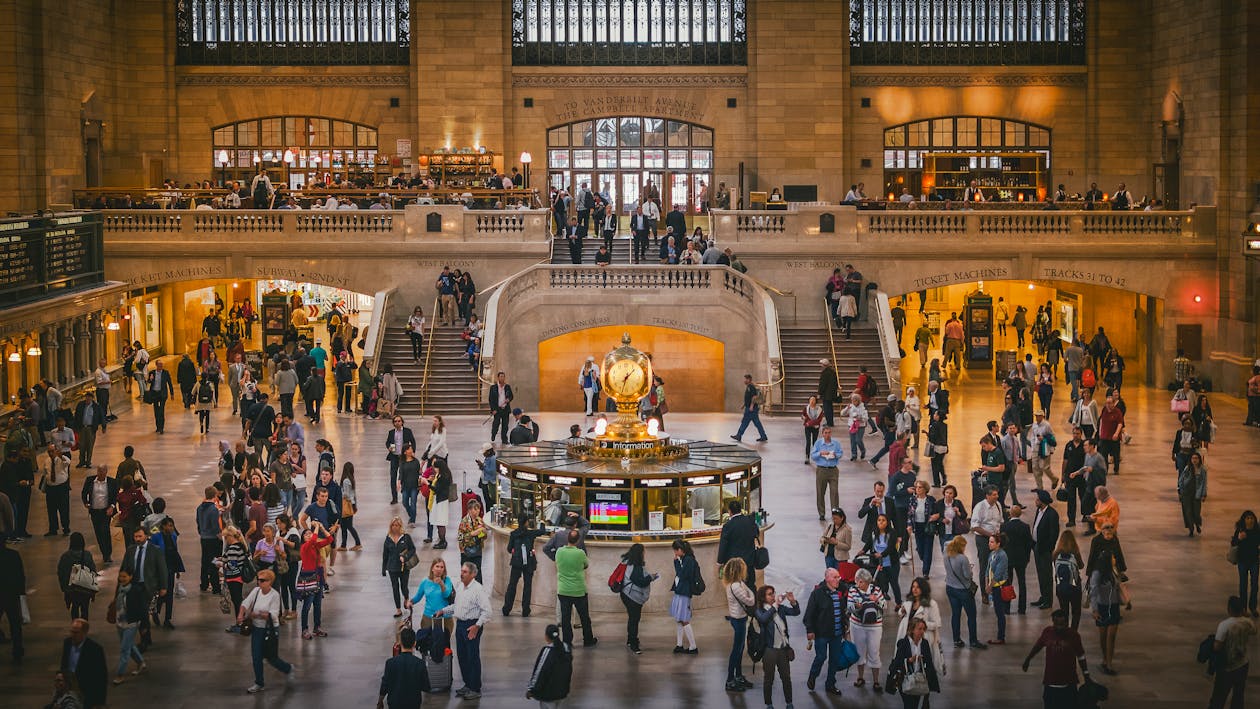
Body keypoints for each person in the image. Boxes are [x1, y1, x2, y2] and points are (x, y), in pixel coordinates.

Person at [439, 561, 492, 701]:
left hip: (471, 626)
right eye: (461, 571)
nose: (461, 574)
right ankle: (468, 684)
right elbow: (457, 606)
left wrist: (477, 626)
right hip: (461, 625)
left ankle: (475, 688)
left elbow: (487, 611)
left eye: (465, 572)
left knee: (472, 657)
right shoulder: (460, 586)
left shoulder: (478, 590)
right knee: (462, 656)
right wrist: (443, 611)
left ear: (473, 574)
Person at [1022, 609, 1091, 709]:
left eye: (1062, 624)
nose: (1059, 627)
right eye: (1057, 624)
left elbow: (1081, 656)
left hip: (1069, 683)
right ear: (1053, 622)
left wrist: (1086, 674)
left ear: (1067, 623)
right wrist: (1028, 659)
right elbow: (1038, 646)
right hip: (1051, 682)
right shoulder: (1047, 632)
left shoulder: (1074, 635)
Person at [238, 568, 292, 693]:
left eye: (262, 580)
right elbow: (245, 603)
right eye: (258, 580)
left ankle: (288, 668)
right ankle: (259, 682)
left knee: (271, 657)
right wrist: (241, 614)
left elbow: (273, 615)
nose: (259, 582)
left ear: (270, 582)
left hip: (270, 629)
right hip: (257, 628)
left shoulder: (274, 595)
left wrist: (257, 614)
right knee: (256, 656)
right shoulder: (256, 591)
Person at [753, 584, 800, 708]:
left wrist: (793, 601)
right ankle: (769, 704)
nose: (773, 596)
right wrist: (775, 606)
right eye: (770, 594)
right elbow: (763, 619)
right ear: (763, 597)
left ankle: (789, 703)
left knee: (786, 678)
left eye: (773, 593)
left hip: (783, 649)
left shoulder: (780, 608)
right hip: (769, 650)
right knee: (769, 679)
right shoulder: (759, 610)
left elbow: (796, 612)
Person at [803, 567, 847, 697]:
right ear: (827, 578)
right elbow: (809, 614)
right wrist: (809, 630)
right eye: (835, 577)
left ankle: (830, 684)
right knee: (821, 656)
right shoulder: (817, 593)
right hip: (822, 633)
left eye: (838, 577)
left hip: (837, 633)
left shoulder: (841, 590)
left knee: (834, 660)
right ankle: (813, 675)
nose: (838, 579)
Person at [1209, 596, 1255, 709]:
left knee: (1219, 697)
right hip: (1243, 663)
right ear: (1242, 609)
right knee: (1238, 696)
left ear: (1229, 609)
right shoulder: (1248, 623)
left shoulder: (1224, 625)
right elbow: (1254, 631)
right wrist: (1247, 616)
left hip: (1227, 666)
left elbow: (1217, 646)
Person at [847, 567, 886, 691]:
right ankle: (860, 677)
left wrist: (877, 601)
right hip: (857, 625)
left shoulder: (877, 590)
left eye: (860, 581)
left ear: (866, 582)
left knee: (874, 653)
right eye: (857, 580)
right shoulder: (852, 590)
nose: (857, 583)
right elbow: (849, 607)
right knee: (859, 652)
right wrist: (856, 606)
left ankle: (876, 681)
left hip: (875, 627)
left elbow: (885, 606)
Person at [720, 558, 755, 692]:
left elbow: (749, 595)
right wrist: (750, 593)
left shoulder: (737, 583)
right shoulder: (735, 586)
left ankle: (738, 676)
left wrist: (748, 591)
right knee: (736, 650)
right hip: (738, 620)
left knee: (740, 650)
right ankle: (730, 680)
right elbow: (751, 600)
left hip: (740, 618)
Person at [890, 617, 941, 708]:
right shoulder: (903, 643)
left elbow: (929, 663)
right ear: (912, 629)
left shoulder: (924, 643)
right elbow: (897, 663)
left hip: (919, 680)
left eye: (923, 629)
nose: (922, 631)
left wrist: (930, 681)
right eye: (919, 629)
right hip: (905, 680)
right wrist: (909, 660)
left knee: (916, 704)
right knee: (910, 705)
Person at [504, 514, 548, 617]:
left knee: (512, 585)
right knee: (527, 586)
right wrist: (542, 522)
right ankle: (525, 610)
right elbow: (542, 531)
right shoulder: (531, 533)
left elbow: (509, 549)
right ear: (526, 523)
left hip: (516, 562)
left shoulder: (513, 534)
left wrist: (515, 549)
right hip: (529, 562)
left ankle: (507, 608)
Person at [1087, 550, 1123, 674]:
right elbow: (1093, 592)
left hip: (1114, 606)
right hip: (1102, 607)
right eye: (1113, 557)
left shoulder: (1114, 571)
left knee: (1111, 636)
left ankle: (1109, 663)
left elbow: (1118, 586)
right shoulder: (1097, 573)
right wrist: (1094, 609)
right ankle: (1104, 658)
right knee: (1103, 636)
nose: (1115, 559)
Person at [109, 568, 147, 685]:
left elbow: (142, 609)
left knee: (124, 649)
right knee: (129, 645)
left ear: (130, 577)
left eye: (124, 576)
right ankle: (141, 662)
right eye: (120, 576)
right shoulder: (120, 588)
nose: (122, 579)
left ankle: (120, 675)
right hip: (120, 623)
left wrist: (144, 625)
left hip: (131, 623)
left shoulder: (135, 590)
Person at [377, 626, 431, 709]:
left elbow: (384, 686)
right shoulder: (420, 664)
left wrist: (380, 701)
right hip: (413, 704)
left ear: (400, 643)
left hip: (395, 704)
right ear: (414, 643)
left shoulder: (390, 663)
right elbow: (426, 687)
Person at [618, 542, 657, 654]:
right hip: (633, 596)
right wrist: (652, 577)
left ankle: (630, 640)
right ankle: (634, 644)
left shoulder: (626, 562)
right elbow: (640, 581)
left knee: (632, 618)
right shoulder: (636, 566)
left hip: (625, 594)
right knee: (634, 619)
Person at [61, 619, 108, 709]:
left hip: (86, 692)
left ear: (84, 633)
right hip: (69, 690)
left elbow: (102, 676)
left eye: (76, 632)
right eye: (71, 631)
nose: (72, 635)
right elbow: (63, 664)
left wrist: (100, 702)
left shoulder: (95, 649)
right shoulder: (67, 643)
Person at [526, 624, 572, 709]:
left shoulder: (547, 651)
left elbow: (540, 672)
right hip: (562, 692)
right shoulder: (566, 649)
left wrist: (532, 689)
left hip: (548, 694)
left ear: (546, 636)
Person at [861, 512, 903, 605]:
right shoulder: (874, 532)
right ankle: (879, 603)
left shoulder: (892, 533)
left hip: (891, 563)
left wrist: (882, 554)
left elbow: (891, 547)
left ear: (887, 522)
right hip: (878, 564)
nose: (881, 522)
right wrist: (863, 550)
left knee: (894, 583)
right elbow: (869, 543)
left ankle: (899, 603)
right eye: (879, 520)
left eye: (883, 520)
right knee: (879, 584)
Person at [1030, 489, 1062, 609]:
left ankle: (1048, 601)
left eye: (1037, 499)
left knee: (1047, 575)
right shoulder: (1039, 510)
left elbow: (1054, 534)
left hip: (1045, 550)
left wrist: (1048, 548)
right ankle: (1043, 596)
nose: (1035, 501)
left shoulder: (1052, 514)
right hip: (1037, 547)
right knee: (1040, 574)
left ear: (1042, 501)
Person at [717, 499, 759, 589]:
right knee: (750, 585)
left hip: (735, 564)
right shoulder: (750, 521)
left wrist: (720, 562)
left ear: (730, 511)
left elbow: (723, 545)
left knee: (738, 587)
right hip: (750, 560)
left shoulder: (728, 526)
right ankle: (752, 602)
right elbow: (756, 533)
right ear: (740, 509)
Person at [1001, 505, 1035, 615]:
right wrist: (1027, 557)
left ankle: (1006, 608)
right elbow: (1029, 543)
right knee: (1022, 583)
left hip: (1008, 559)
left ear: (1010, 514)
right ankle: (1022, 608)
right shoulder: (1025, 527)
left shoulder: (1004, 527)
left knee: (1007, 583)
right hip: (1021, 559)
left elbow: (1002, 543)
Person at [80, 465, 117, 564]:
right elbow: (84, 493)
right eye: (99, 471)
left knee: (105, 531)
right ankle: (104, 552)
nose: (100, 473)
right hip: (95, 512)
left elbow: (114, 497)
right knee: (98, 533)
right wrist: (86, 503)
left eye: (102, 471)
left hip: (106, 512)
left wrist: (112, 507)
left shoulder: (111, 482)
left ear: (106, 471)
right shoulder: (90, 480)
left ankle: (107, 554)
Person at [671, 539, 701, 654]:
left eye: (675, 550)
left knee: (684, 619)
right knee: (679, 619)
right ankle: (679, 644)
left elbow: (682, 575)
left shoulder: (688, 560)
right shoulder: (685, 559)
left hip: (684, 592)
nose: (674, 553)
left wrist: (676, 563)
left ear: (680, 550)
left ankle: (693, 646)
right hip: (680, 591)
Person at [382, 517, 416, 618]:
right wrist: (383, 568)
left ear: (400, 526)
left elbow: (412, 549)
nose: (395, 527)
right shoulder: (388, 538)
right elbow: (385, 554)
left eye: (397, 525)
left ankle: (406, 597)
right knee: (395, 587)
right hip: (392, 567)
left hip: (404, 567)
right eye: (393, 525)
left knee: (404, 586)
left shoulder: (406, 537)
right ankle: (398, 609)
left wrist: (405, 557)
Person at [1052, 530, 1084, 629]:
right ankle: (1073, 632)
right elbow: (1081, 566)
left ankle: (1064, 631)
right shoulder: (1075, 552)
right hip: (1074, 587)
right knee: (1076, 612)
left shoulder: (1056, 553)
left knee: (1064, 611)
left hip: (1061, 587)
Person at [906, 481, 940, 575]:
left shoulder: (931, 500)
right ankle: (924, 558)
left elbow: (937, 511)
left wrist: (936, 516)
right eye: (916, 487)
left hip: (928, 526)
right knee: (921, 550)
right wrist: (909, 525)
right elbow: (909, 514)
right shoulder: (912, 499)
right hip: (917, 527)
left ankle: (925, 572)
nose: (917, 489)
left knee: (928, 550)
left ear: (925, 489)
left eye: (920, 487)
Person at [809, 426, 843, 521]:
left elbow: (840, 453)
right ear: (822, 434)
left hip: (833, 470)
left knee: (834, 492)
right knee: (820, 492)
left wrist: (835, 455)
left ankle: (835, 513)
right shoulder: (818, 443)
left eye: (829, 433)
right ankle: (821, 513)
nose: (827, 435)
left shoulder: (836, 443)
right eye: (826, 433)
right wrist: (820, 453)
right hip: (821, 470)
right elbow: (813, 455)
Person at [1231, 511, 1260, 617]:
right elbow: (1233, 543)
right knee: (1243, 585)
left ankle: (1253, 607)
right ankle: (1243, 608)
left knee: (1255, 585)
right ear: (1244, 520)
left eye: (1252, 518)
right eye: (1247, 518)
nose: (1250, 520)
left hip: (1254, 561)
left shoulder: (1257, 530)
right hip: (1242, 561)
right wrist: (1239, 538)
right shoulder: (1240, 530)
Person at [986, 532, 1012, 645]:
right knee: (998, 611)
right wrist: (986, 583)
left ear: (998, 543)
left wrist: (989, 586)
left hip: (999, 587)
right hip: (993, 586)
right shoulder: (992, 553)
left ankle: (1001, 637)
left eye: (992, 542)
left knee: (1000, 613)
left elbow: (998, 574)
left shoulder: (1002, 556)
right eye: (989, 541)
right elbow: (988, 569)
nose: (989, 544)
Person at [384, 416, 416, 506]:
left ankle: (406, 495)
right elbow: (387, 442)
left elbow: (413, 442)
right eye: (395, 421)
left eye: (399, 421)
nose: (397, 422)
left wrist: (412, 452)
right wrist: (388, 447)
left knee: (406, 477)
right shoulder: (391, 432)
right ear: (393, 423)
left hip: (404, 457)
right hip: (394, 457)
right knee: (393, 477)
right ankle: (394, 498)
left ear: (402, 422)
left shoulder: (407, 431)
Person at [1178, 451, 1208, 537]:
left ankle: (1197, 524)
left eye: (1196, 458)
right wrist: (1180, 490)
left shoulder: (1202, 470)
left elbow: (1204, 483)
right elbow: (1181, 480)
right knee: (1188, 512)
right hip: (1187, 493)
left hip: (1197, 493)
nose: (1194, 460)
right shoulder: (1187, 468)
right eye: (1193, 458)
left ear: (1199, 459)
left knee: (1196, 512)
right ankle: (1191, 529)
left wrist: (1204, 494)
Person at [731, 373, 768, 442]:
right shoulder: (749, 386)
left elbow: (754, 397)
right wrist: (744, 405)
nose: (744, 380)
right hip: (752, 408)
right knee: (757, 423)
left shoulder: (751, 387)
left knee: (745, 422)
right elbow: (748, 398)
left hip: (751, 409)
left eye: (745, 379)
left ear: (748, 379)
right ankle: (763, 436)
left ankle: (739, 435)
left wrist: (751, 406)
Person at [73, 392, 104, 469]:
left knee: (89, 446)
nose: (88, 399)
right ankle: (81, 461)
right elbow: (76, 416)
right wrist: (75, 427)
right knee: (81, 445)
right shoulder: (80, 405)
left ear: (92, 398)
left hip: (91, 429)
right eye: (87, 397)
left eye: (89, 397)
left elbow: (101, 416)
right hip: (82, 428)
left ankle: (88, 462)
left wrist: (104, 426)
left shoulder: (96, 407)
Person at [144, 359, 174, 433]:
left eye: (161, 365)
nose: (161, 366)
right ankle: (158, 426)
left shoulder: (165, 373)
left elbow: (169, 383)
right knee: (156, 411)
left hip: (162, 394)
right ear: (156, 365)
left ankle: (161, 428)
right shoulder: (152, 373)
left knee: (161, 411)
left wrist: (172, 393)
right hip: (154, 394)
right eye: (159, 365)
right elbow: (148, 383)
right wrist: (150, 379)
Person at [488, 372, 514, 444]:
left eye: (503, 376)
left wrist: (508, 399)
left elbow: (511, 396)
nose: (502, 378)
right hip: (497, 409)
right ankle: (493, 434)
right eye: (501, 376)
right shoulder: (493, 387)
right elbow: (491, 400)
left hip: (505, 409)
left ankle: (504, 439)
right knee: (496, 423)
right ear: (498, 378)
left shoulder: (507, 387)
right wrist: (493, 409)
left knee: (505, 425)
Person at [842, 394, 869, 461]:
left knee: (858, 440)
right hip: (852, 425)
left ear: (858, 401)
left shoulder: (863, 407)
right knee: (853, 441)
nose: (854, 402)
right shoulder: (850, 407)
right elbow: (842, 413)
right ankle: (854, 455)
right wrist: (846, 408)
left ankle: (863, 450)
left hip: (860, 426)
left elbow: (866, 418)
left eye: (855, 401)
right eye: (853, 401)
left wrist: (860, 418)